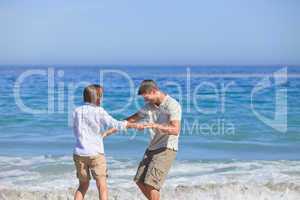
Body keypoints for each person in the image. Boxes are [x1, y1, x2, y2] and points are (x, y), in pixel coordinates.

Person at [72, 84, 145, 200]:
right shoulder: (99, 111)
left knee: (82, 186)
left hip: (79, 153)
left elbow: (76, 130)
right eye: (101, 96)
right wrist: (134, 125)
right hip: (95, 153)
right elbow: (116, 124)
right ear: (97, 98)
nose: (102, 99)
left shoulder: (76, 111)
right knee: (102, 187)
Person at [126, 80, 182, 200]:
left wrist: (155, 126)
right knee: (139, 181)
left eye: (147, 97)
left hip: (166, 148)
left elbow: (175, 129)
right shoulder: (149, 106)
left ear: (154, 91)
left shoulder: (172, 104)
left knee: (151, 184)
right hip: (152, 148)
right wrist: (114, 124)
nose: (145, 101)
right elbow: (132, 119)